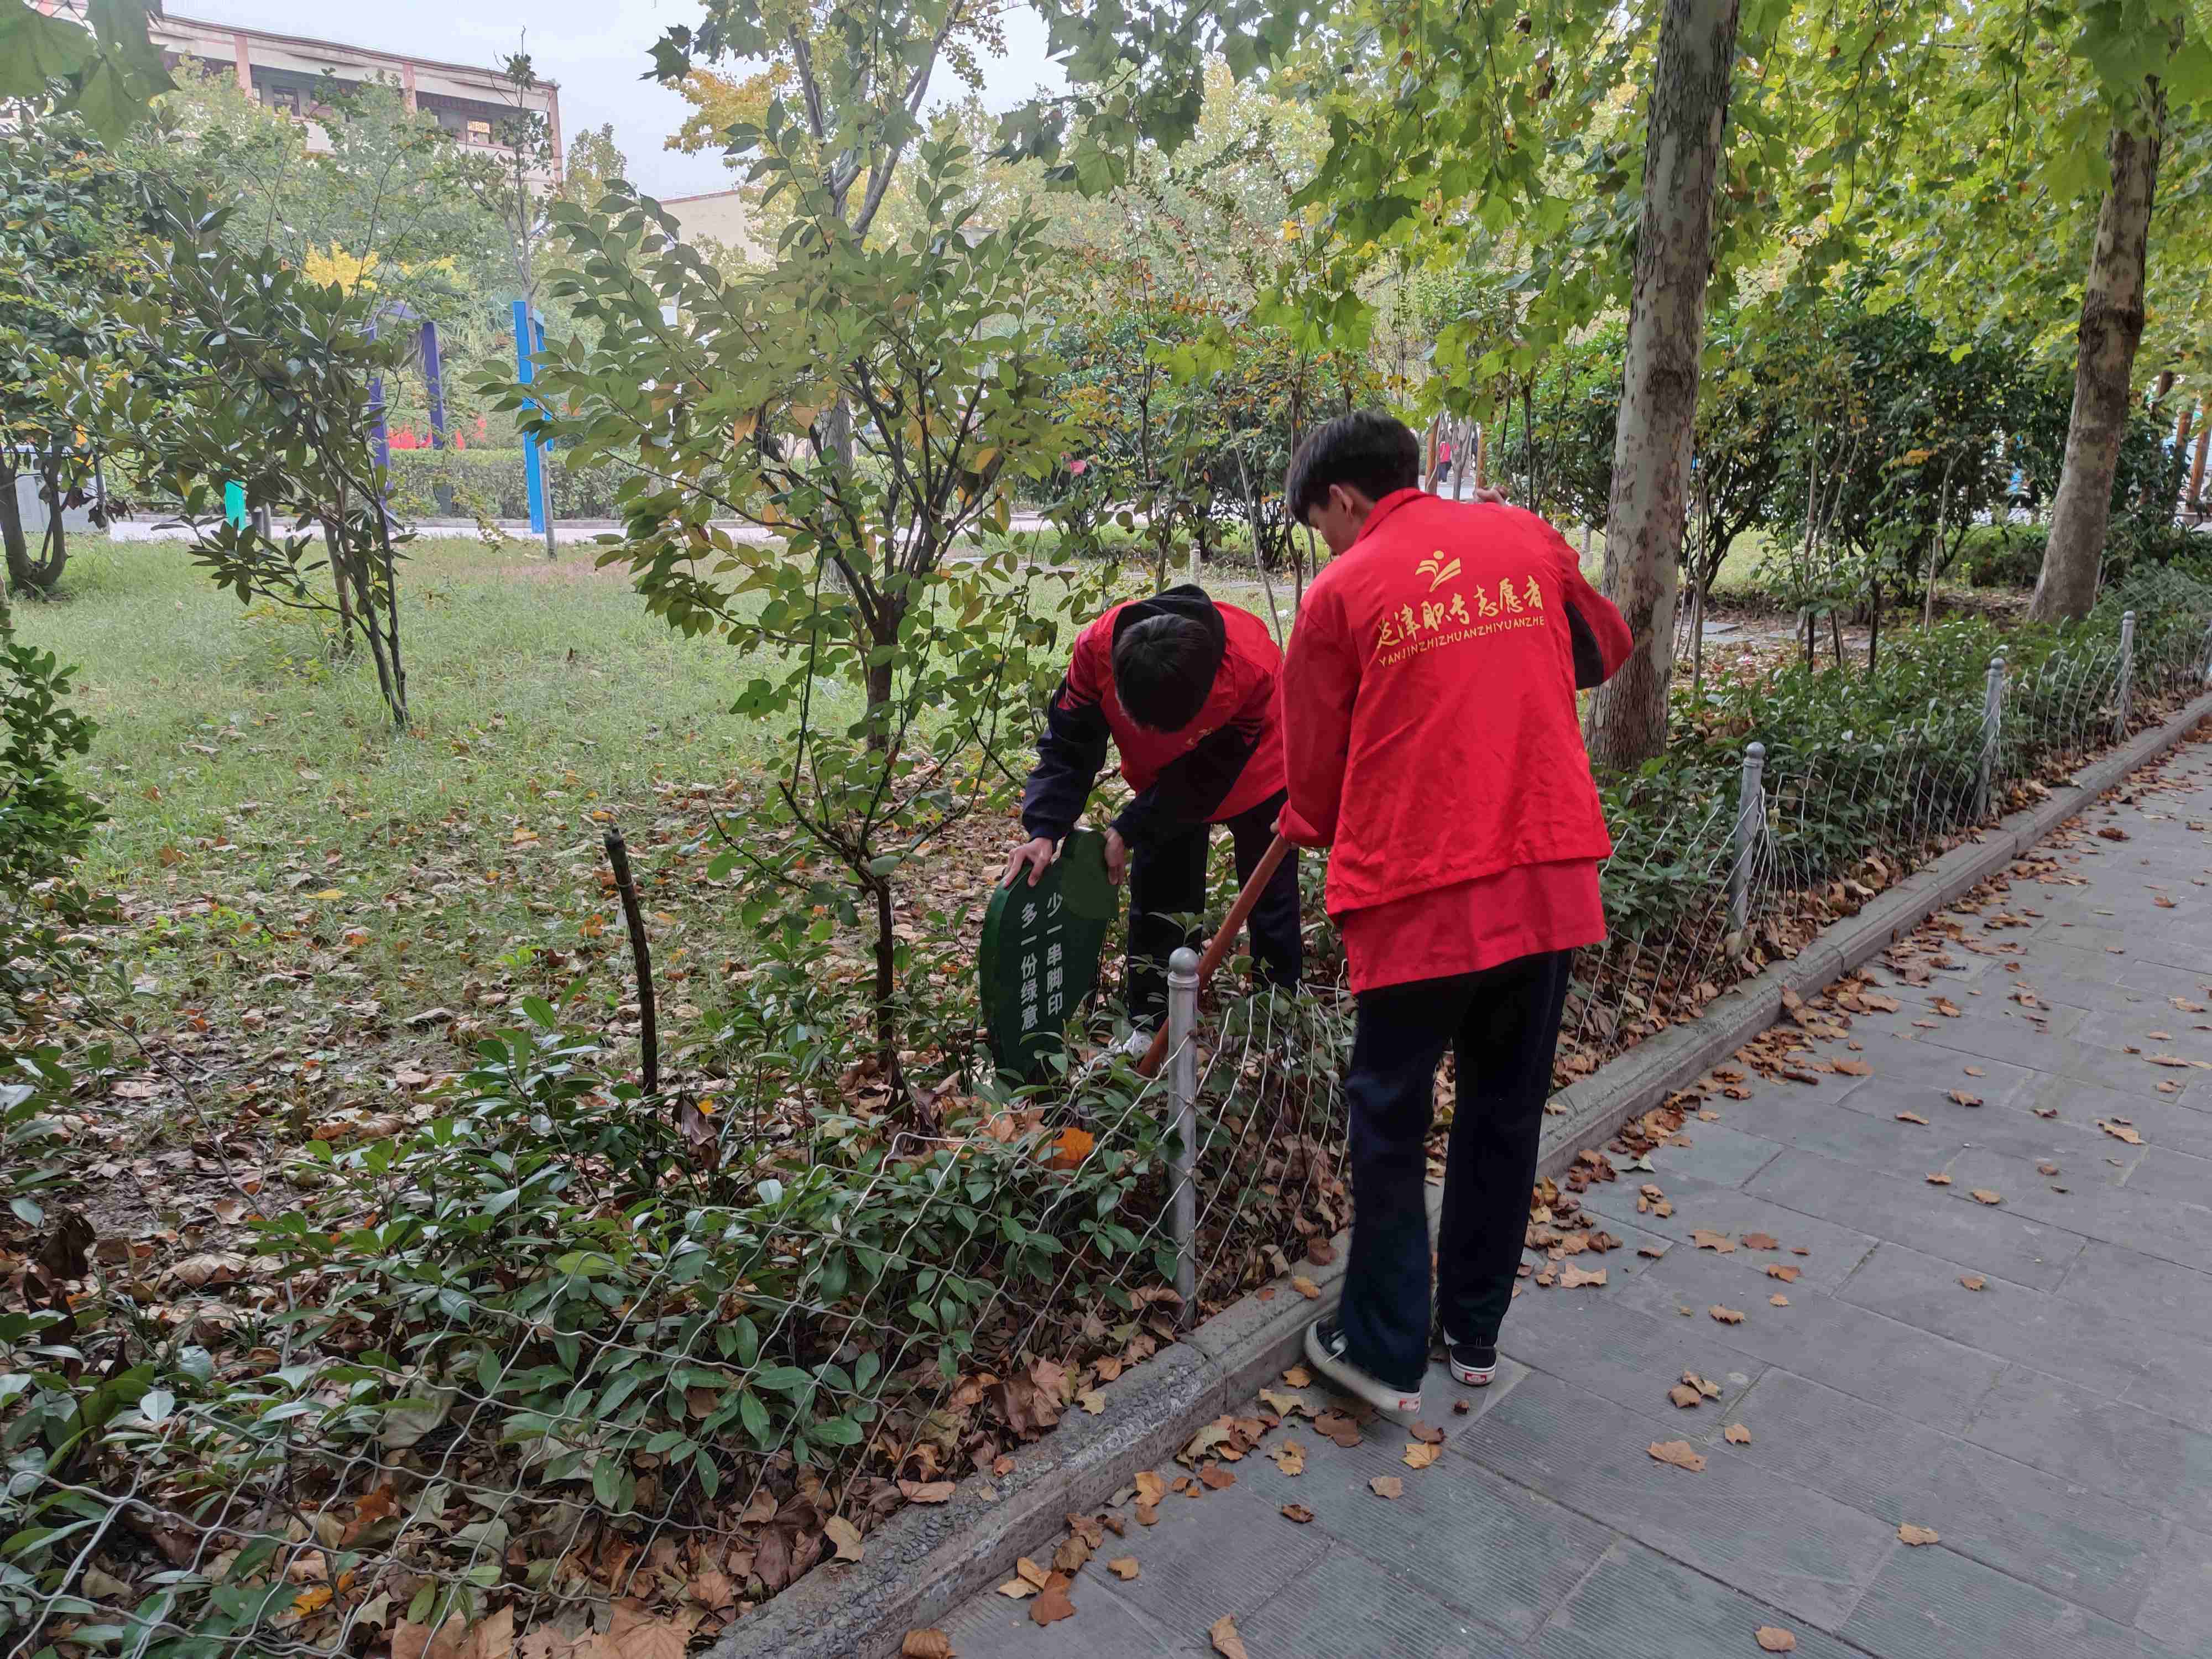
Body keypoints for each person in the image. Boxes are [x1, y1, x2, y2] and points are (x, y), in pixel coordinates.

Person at [1275, 409, 1631, 1417]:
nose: (1329, 545)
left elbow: (1312, 780)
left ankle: (1383, 1350)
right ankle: (1473, 1333)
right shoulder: (1525, 537)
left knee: (1389, 1118)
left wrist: (1315, 820)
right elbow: (1604, 649)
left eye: (1322, 526)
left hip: (1419, 893)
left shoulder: (1341, 592)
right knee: (1504, 1110)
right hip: (1545, 879)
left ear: (1345, 499)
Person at [1004, 585, 1302, 1050]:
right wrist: (1044, 830)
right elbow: (1069, 744)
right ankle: (1152, 1022)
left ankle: (1279, 1020)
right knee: (1162, 888)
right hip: (1161, 776)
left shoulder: (1250, 668)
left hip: (1258, 767)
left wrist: (1131, 824)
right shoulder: (1094, 652)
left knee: (1269, 895)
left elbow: (1206, 775)